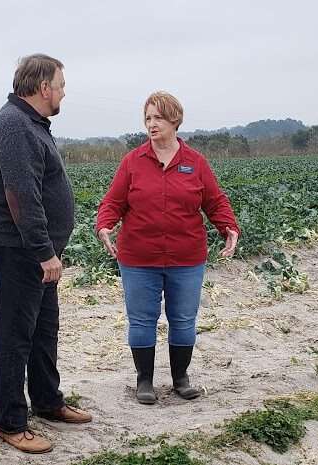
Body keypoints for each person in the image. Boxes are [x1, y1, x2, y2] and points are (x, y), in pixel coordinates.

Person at [0, 53, 92, 454]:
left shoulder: (31, 124)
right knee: (16, 333)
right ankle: (9, 421)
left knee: (43, 327)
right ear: (44, 88)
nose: (63, 92)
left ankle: (47, 400)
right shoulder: (15, 126)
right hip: (18, 248)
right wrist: (44, 251)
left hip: (35, 250)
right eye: (61, 85)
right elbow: (21, 196)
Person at [96, 91, 240, 405]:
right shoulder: (133, 162)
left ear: (175, 119)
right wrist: (105, 225)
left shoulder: (195, 163)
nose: (152, 124)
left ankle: (181, 378)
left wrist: (228, 226)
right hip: (138, 258)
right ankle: (144, 381)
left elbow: (215, 201)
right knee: (142, 320)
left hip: (186, 257)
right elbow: (113, 202)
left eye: (158, 117)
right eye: (147, 118)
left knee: (184, 320)